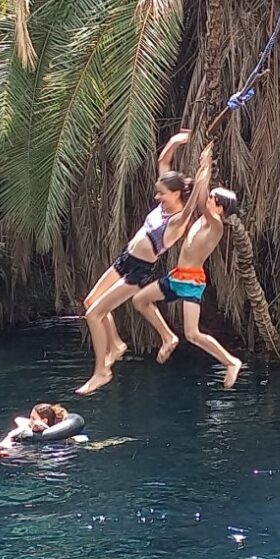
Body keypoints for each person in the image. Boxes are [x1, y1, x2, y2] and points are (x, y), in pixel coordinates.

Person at [76, 130, 194, 396]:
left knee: (93, 314)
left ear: (176, 194)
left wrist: (204, 172)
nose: (157, 197)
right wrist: (175, 142)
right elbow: (164, 163)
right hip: (125, 260)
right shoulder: (165, 205)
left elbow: (191, 202)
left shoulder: (177, 221)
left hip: (138, 272)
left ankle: (101, 372)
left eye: (162, 193)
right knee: (89, 301)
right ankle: (116, 345)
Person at [129, 142, 244, 388]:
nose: (208, 198)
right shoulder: (203, 218)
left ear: (220, 207)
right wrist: (204, 168)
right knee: (139, 300)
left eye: (213, 198)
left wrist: (206, 169)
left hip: (191, 281)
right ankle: (168, 337)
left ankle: (230, 362)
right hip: (177, 276)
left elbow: (201, 200)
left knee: (192, 334)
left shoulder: (216, 225)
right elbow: (199, 198)